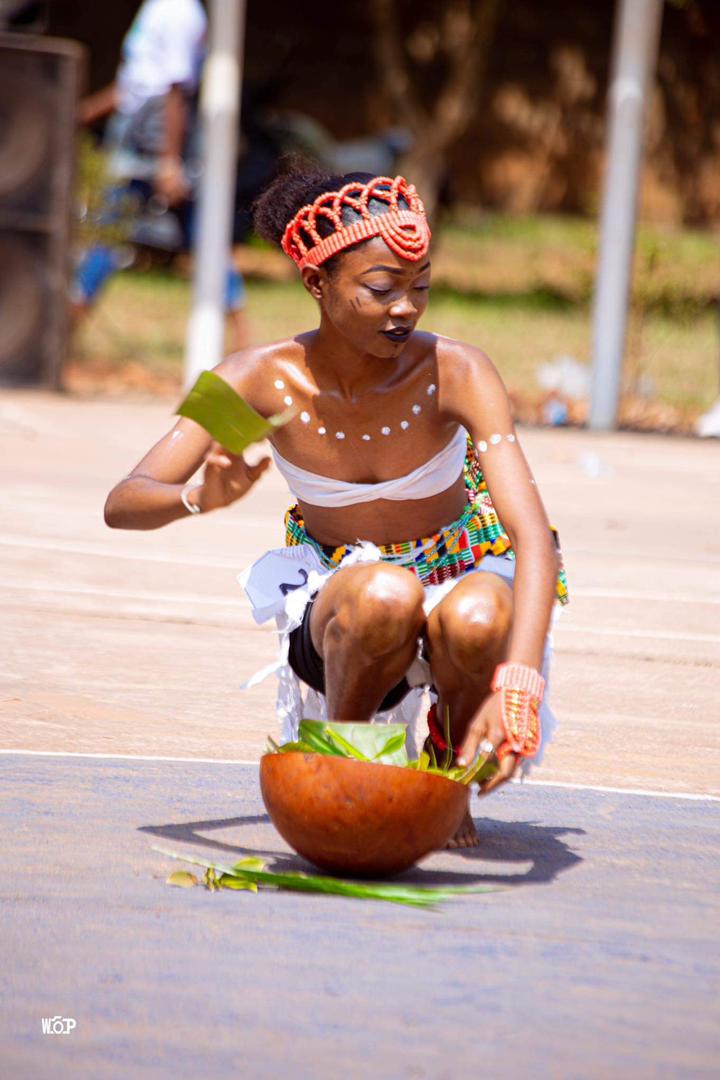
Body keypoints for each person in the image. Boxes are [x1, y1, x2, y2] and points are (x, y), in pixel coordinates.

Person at [104, 171, 568, 847]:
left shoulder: (458, 372)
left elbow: (532, 537)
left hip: (460, 572)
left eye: (421, 286)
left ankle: (445, 775)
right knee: (384, 591)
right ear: (316, 285)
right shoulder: (259, 380)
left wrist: (519, 685)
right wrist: (200, 497)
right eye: (381, 289)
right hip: (347, 598)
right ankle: (343, 768)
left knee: (474, 615)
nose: (406, 308)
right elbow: (125, 501)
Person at [73, 0, 248, 348]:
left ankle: (245, 343)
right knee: (115, 236)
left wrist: (169, 162)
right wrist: (85, 112)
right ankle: (59, 340)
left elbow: (173, 89)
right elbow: (135, 82)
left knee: (200, 237)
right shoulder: (159, 7)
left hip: (157, 137)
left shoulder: (178, 11)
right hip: (137, 129)